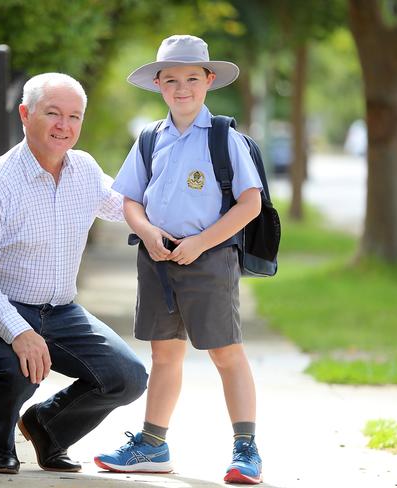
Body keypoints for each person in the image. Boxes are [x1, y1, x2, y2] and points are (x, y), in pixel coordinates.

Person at [0, 72, 148, 475]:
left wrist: (191, 214)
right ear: (25, 114)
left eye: (74, 117)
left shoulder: (84, 170)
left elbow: (125, 208)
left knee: (126, 377)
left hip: (60, 311)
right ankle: (0, 443)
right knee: (19, 365)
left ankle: (47, 428)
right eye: (53, 114)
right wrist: (19, 332)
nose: (64, 126)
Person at [93, 35, 264, 484]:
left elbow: (249, 205)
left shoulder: (226, 138)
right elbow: (129, 199)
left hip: (209, 260)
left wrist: (202, 243)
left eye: (192, 78)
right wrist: (147, 232)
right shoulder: (150, 138)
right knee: (164, 353)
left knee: (227, 353)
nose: (181, 88)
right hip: (157, 257)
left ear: (208, 80)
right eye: (171, 80)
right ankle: (152, 445)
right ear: (158, 84)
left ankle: (246, 449)